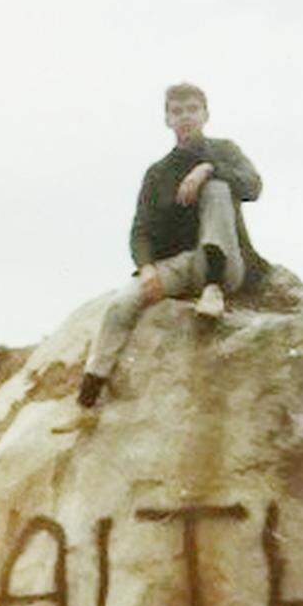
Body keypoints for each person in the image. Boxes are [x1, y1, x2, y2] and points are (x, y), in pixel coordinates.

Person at [77, 83, 264, 407]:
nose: (186, 117)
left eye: (192, 109)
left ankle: (213, 289)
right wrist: (147, 269)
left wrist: (207, 169)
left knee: (217, 188)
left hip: (223, 263)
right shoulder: (158, 173)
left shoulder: (225, 151)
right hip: (182, 265)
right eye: (177, 112)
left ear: (205, 114)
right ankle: (89, 394)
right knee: (122, 303)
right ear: (167, 119)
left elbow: (253, 186)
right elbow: (140, 230)